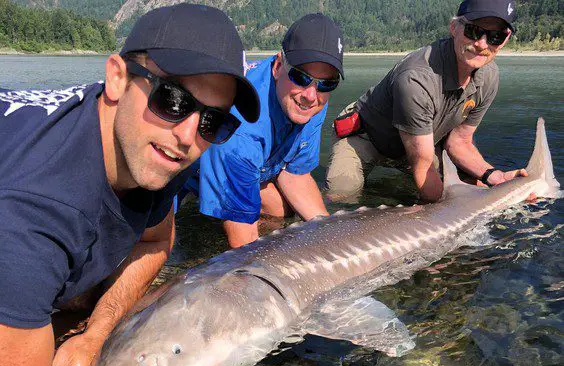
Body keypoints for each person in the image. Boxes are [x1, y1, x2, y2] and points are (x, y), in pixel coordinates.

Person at [0, 4, 259, 366]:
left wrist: (97, 334)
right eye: (172, 99)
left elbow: (157, 241)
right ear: (117, 77)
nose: (188, 136)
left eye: (213, 122)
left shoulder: (155, 146)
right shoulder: (35, 215)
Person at [325, 0, 528, 203]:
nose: (482, 44)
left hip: (420, 145)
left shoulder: (489, 76)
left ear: (505, 39)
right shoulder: (416, 78)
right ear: (454, 28)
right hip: (367, 136)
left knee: (471, 186)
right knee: (341, 197)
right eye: (473, 31)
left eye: (495, 36)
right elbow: (422, 165)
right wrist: (448, 213)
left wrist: (493, 176)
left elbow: (459, 142)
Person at [180, 13, 344, 248]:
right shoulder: (241, 129)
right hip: (186, 170)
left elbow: (295, 175)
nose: (310, 95)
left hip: (248, 164)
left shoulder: (314, 102)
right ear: (278, 66)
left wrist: (332, 239)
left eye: (326, 83)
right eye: (301, 76)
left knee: (281, 211)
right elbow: (244, 244)